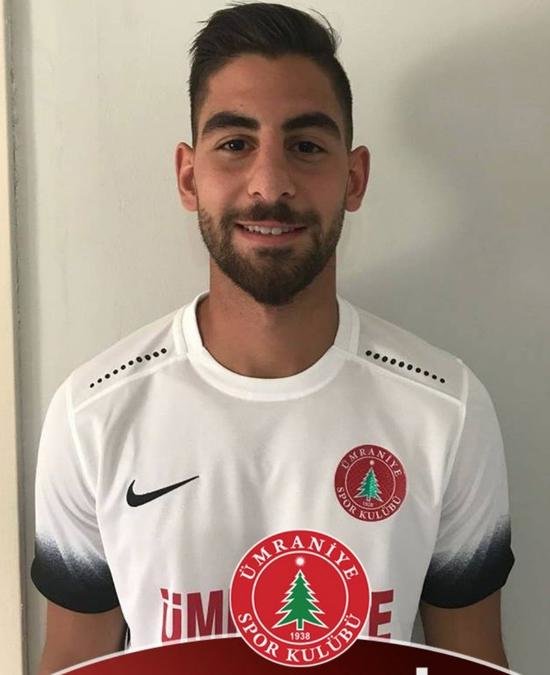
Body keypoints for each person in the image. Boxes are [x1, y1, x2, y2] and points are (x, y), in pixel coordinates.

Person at [32, 3, 515, 672]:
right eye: (235, 144)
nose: (270, 183)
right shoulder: (93, 414)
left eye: (306, 145)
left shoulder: (447, 409)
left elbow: (473, 658)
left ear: (353, 178)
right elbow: (71, 660)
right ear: (189, 176)